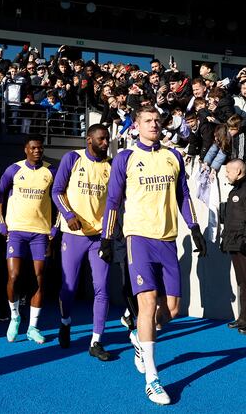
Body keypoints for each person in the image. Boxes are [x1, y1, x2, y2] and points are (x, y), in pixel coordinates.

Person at [98, 106, 206, 405]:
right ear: (136, 125)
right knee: (147, 302)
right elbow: (113, 200)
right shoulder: (126, 157)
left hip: (168, 239)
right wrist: (107, 237)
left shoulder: (173, 156)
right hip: (138, 237)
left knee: (171, 310)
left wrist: (194, 228)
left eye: (158, 120)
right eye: (148, 121)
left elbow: (183, 194)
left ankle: (137, 337)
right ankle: (153, 379)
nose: (154, 124)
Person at [52, 123, 112, 361]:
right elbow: (57, 191)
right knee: (69, 289)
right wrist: (68, 215)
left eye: (107, 139)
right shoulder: (72, 158)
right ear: (89, 140)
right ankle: (65, 322)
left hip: (99, 237)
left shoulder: (110, 165)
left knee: (102, 288)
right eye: (101, 139)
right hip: (73, 235)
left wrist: (110, 232)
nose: (106, 142)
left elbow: (116, 201)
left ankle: (96, 341)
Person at [0, 134, 57, 344]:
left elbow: (61, 198)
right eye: (33, 148)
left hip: (40, 232)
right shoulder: (14, 169)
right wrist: (0, 222)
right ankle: (14, 317)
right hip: (16, 231)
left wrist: (56, 227)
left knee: (39, 277)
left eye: (40, 148)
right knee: (14, 275)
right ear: (26, 149)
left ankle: (33, 327)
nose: (37, 151)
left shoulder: (51, 171)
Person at [221, 159, 246, 335]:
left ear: (238, 171)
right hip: (234, 244)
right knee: (242, 283)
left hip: (244, 244)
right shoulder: (234, 191)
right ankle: (243, 318)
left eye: (228, 171)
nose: (226, 174)